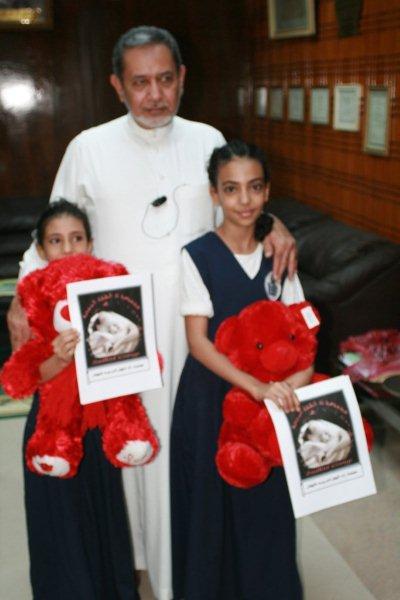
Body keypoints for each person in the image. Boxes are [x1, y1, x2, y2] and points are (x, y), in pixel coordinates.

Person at [7, 27, 297, 600]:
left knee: (183, 460)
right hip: (116, 334)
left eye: (166, 79)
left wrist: (274, 224)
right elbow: (53, 232)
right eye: (140, 83)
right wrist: (22, 296)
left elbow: (237, 205)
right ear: (117, 86)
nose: (155, 95)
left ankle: (180, 576)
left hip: (194, 331)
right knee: (125, 452)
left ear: (182, 78)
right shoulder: (88, 147)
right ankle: (132, 568)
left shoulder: (207, 138)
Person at [170, 140, 313, 599]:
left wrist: (293, 384)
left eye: (254, 187)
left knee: (267, 505)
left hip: (268, 405)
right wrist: (255, 387)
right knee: (211, 506)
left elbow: (304, 334)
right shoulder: (197, 255)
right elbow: (198, 342)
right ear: (214, 194)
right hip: (211, 398)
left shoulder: (280, 256)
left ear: (267, 191)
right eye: (231, 189)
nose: (244, 200)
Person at [13, 199, 139, 599]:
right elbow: (26, 377)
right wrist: (58, 357)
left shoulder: (110, 293)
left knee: (103, 515)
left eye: (76, 238)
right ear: (41, 249)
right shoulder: (32, 300)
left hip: (98, 422)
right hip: (52, 430)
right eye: (56, 240)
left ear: (90, 243)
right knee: (60, 523)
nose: (67, 249)